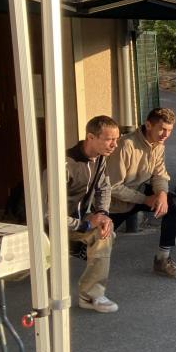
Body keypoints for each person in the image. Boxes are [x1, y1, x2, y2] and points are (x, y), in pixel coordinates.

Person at [107, 107, 176, 279]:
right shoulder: (125, 145)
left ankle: (162, 260)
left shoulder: (158, 145)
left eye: (170, 130)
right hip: (116, 203)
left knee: (174, 202)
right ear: (148, 125)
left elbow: (159, 174)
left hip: (140, 194)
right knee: (89, 248)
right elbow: (113, 187)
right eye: (162, 129)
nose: (166, 134)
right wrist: (145, 199)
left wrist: (162, 195)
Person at [61, 115, 120, 313]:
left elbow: (104, 187)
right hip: (51, 225)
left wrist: (102, 214)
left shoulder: (99, 158)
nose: (114, 145)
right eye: (109, 139)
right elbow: (49, 213)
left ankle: (90, 295)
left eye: (116, 139)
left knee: (104, 232)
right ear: (90, 137)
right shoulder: (65, 164)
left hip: (77, 220)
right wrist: (85, 225)